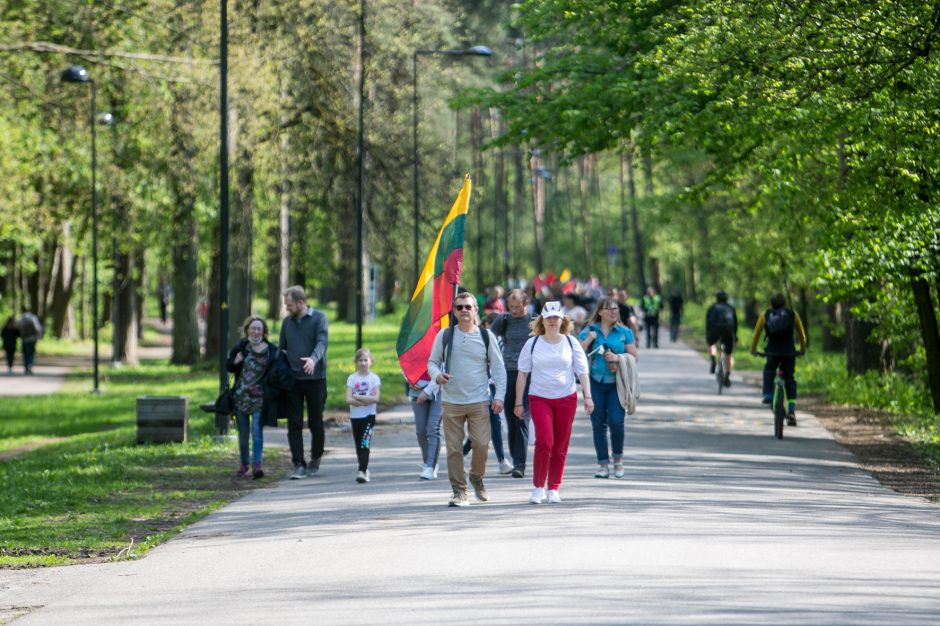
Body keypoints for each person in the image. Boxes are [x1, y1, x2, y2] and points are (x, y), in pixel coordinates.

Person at [427, 292, 506, 508]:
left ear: (475, 310)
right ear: (454, 311)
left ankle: (477, 476)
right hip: (451, 402)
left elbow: (498, 368)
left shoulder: (485, 336)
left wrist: (499, 396)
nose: (463, 310)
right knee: (454, 449)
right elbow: (432, 363)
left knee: (481, 444)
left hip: (479, 400)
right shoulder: (445, 335)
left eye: (468, 307)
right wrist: (437, 375)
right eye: (459, 307)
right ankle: (459, 491)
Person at [514, 301, 592, 504]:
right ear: (542, 320)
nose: (552, 321)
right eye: (548, 317)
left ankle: (553, 488)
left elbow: (582, 371)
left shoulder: (571, 343)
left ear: (562, 320)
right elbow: (522, 374)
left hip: (566, 398)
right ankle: (538, 487)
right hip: (539, 397)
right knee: (545, 441)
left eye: (556, 317)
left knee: (560, 445)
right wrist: (518, 402)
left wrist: (588, 397)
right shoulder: (532, 343)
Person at [579, 296, 639, 479]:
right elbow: (576, 354)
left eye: (615, 309)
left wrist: (618, 358)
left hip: (617, 384)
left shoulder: (624, 332)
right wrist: (589, 340)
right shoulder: (589, 330)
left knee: (616, 422)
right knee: (598, 425)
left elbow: (634, 356)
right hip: (595, 383)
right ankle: (603, 465)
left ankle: (618, 461)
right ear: (600, 312)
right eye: (609, 309)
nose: (614, 311)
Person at [279, 286, 329, 480]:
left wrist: (313, 359)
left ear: (301, 303)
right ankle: (298, 463)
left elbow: (322, 342)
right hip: (293, 380)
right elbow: (282, 349)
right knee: (294, 423)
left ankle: (316, 455)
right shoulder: (287, 323)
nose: (287, 308)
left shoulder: (319, 318)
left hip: (316, 379)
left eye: (289, 304)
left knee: (316, 421)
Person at [226, 316, 279, 479]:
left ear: (263, 332)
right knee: (243, 435)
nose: (256, 331)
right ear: (247, 330)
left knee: (256, 432)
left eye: (259, 329)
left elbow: (278, 371)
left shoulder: (271, 350)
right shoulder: (242, 347)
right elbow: (228, 366)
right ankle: (243, 465)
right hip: (241, 397)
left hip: (260, 398)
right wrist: (235, 362)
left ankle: (257, 465)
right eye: (253, 328)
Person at [490, 288, 535, 478]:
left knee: (522, 416)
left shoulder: (534, 320)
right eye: (511, 306)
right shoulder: (504, 320)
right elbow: (489, 339)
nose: (514, 310)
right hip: (507, 371)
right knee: (510, 416)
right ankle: (515, 455)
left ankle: (519, 464)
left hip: (529, 372)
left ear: (526, 303)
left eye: (517, 307)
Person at [462, 313, 512, 475]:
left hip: (495, 386)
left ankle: (462, 453)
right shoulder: (478, 339)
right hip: (479, 386)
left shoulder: (500, 341)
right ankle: (501, 460)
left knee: (490, 424)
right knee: (490, 423)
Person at [750, 293, 808, 426]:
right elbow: (802, 336)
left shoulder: (765, 314)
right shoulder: (793, 314)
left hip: (772, 351)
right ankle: (792, 411)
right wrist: (802, 350)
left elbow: (756, 335)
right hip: (789, 352)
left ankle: (769, 395)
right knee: (789, 378)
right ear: (784, 303)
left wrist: (753, 350)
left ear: (771, 304)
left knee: (769, 369)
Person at [345, 348, 381, 484]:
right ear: (356, 362)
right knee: (358, 445)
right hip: (356, 417)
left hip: (369, 417)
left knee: (365, 444)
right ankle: (364, 469)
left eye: (366, 360)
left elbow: (376, 398)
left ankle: (362, 470)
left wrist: (357, 397)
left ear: (371, 361)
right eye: (360, 360)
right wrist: (366, 399)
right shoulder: (352, 378)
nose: (363, 363)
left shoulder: (374, 379)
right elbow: (348, 399)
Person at [409, 372, 442, 480]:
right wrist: (410, 379)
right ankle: (427, 462)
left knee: (433, 428)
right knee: (421, 431)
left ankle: (431, 466)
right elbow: (405, 361)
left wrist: (427, 390)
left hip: (439, 389)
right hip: (417, 388)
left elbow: (443, 367)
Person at [705, 291, 738, 386]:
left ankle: (712, 360)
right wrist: (734, 336)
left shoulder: (712, 308)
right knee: (728, 354)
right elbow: (735, 324)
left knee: (711, 344)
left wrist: (708, 335)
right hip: (728, 331)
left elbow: (707, 324)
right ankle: (727, 375)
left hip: (714, 330)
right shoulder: (731, 308)